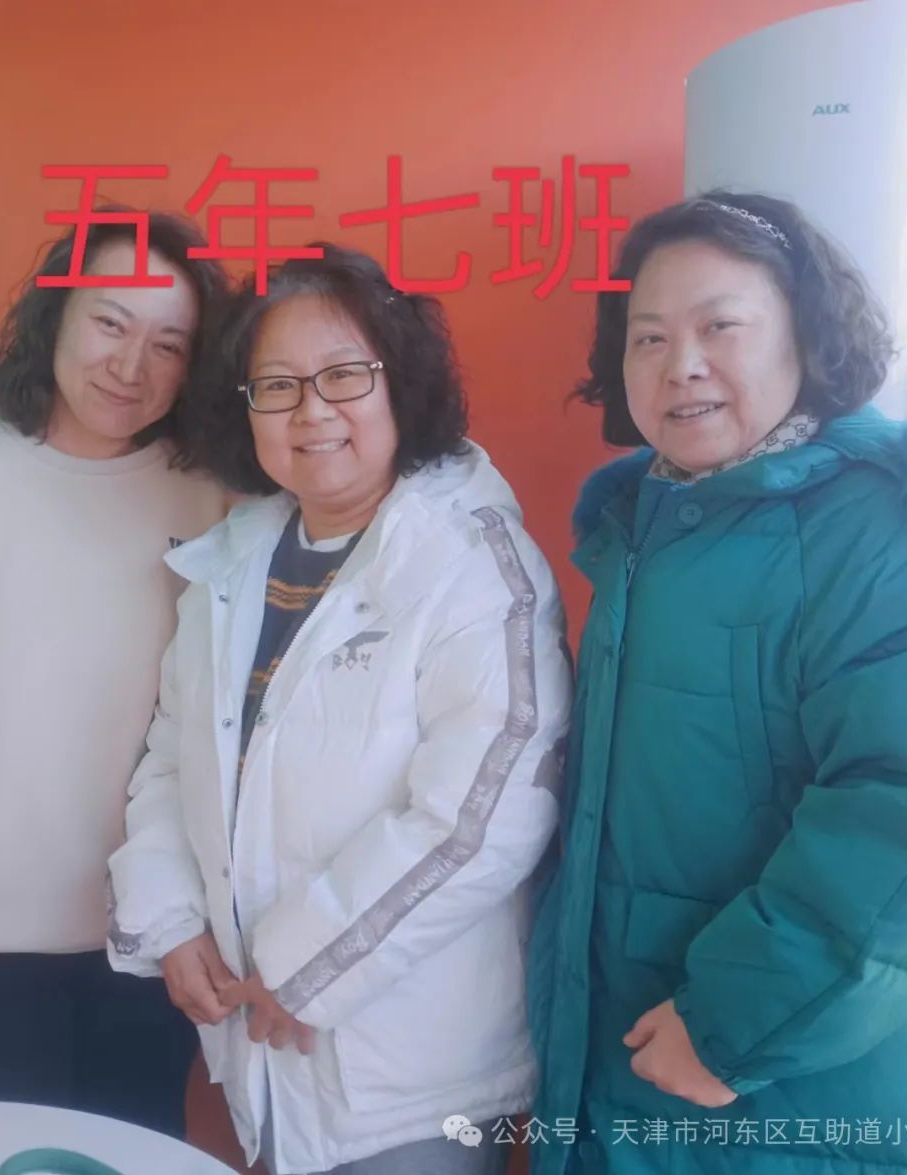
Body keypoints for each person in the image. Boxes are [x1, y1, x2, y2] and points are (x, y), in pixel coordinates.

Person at [529, 192, 907, 1174]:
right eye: (648, 336)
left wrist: (733, 1020)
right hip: (641, 1057)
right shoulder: (648, 526)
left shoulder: (886, 532)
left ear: (806, 334)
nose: (680, 363)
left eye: (720, 326)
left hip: (794, 1081)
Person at [106, 244, 573, 1173]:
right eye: (277, 385)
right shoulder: (233, 559)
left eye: (345, 375)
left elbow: (480, 820)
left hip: (411, 1074)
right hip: (262, 1046)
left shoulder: (474, 564)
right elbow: (172, 756)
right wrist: (171, 918)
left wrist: (302, 965)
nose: (312, 410)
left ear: (402, 383)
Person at [0, 210, 229, 1137]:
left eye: (169, 344)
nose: (130, 365)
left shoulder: (215, 497)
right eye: (110, 322)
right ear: (55, 315)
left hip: (150, 947)